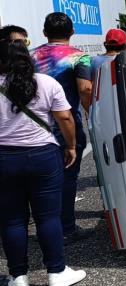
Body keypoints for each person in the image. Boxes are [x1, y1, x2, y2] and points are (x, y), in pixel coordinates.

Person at [0, 34, 87, 286]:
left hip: (4, 158)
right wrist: (70, 146)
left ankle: (19, 277)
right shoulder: (46, 83)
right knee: (48, 217)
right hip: (43, 156)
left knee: (12, 220)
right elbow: (66, 118)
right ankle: (57, 273)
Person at [31, 13, 93, 245]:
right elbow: (85, 90)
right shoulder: (79, 58)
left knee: (40, 180)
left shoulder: (30, 56)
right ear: (72, 31)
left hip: (34, 126)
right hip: (66, 123)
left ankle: (44, 227)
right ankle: (66, 227)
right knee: (67, 177)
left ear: (45, 32)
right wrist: (91, 114)